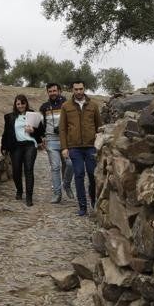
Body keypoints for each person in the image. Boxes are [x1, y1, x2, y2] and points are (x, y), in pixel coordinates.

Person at [59, 80, 101, 216]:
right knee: (78, 174)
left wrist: (98, 144)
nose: (78, 92)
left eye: (80, 89)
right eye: (76, 89)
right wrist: (64, 148)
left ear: (84, 89)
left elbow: (99, 126)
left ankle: (94, 202)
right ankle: (82, 206)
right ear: (72, 90)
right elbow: (63, 129)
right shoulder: (66, 106)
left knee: (92, 174)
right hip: (74, 147)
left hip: (90, 147)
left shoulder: (94, 106)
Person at [1, 94, 44, 206]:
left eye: (22, 103)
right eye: (18, 103)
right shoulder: (10, 117)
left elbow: (41, 131)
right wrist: (3, 147)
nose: (21, 106)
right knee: (16, 171)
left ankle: (29, 197)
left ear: (26, 104)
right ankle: (19, 191)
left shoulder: (32, 114)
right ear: (15, 104)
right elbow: (6, 133)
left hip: (30, 144)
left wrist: (33, 130)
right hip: (16, 146)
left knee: (29, 170)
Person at [38, 82, 73, 204]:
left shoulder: (68, 104)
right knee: (55, 167)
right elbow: (41, 125)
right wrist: (41, 137)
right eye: (50, 91)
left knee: (70, 164)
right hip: (51, 140)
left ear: (59, 91)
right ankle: (57, 194)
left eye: (54, 91)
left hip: (66, 139)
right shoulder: (44, 107)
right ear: (47, 92)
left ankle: (67, 185)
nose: (52, 93)